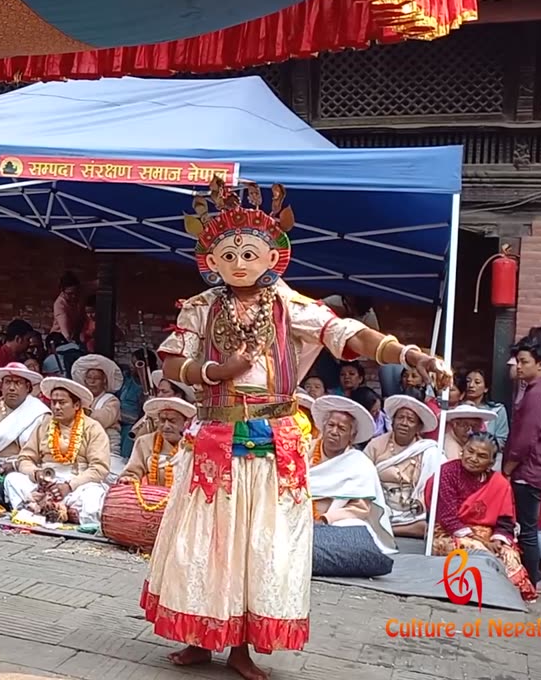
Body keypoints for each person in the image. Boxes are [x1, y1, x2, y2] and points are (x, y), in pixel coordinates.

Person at [141, 179, 450, 679]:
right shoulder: (200, 307)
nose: (239, 261)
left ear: (272, 257)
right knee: (206, 540)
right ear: (212, 260)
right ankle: (200, 636)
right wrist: (213, 373)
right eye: (228, 253)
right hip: (216, 438)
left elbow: (347, 334)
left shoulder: (292, 306)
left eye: (249, 252)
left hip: (271, 444)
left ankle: (242, 645)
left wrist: (408, 353)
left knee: (260, 544)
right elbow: (173, 361)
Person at [427, 433, 537, 601]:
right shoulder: (448, 473)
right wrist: (484, 542)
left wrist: (498, 541)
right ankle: (486, 591)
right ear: (462, 450)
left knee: (508, 554)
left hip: (488, 536)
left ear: (491, 463)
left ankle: (509, 596)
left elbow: (505, 522)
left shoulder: (499, 483)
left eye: (481, 456)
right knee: (479, 550)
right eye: (470, 451)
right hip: (449, 532)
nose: (473, 458)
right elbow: (447, 517)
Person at [4, 377, 110, 525]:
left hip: (77, 484)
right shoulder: (44, 424)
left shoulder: (92, 427)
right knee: (13, 480)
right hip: (45, 484)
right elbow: (25, 459)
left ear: (77, 405)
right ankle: (47, 510)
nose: (56, 407)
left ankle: (50, 511)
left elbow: (99, 468)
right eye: (53, 402)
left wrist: (69, 486)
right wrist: (36, 474)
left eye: (62, 402)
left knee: (93, 499)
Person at [503, 338, 541, 589]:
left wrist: (508, 468)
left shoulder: (537, 393)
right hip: (536, 467)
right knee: (528, 526)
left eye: (524, 362)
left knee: (527, 528)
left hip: (529, 469)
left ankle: (530, 582)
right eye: (518, 361)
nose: (519, 366)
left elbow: (526, 437)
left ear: (540, 365)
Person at [307, 396, 397, 554]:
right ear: (323, 427)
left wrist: (325, 519)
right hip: (301, 515)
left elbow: (360, 508)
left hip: (334, 522)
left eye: (341, 429)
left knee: (357, 529)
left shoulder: (360, 463)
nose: (334, 432)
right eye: (331, 425)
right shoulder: (304, 450)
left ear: (352, 436)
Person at [363, 394, 441, 538]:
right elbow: (361, 477)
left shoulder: (429, 451)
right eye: (400, 418)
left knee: (427, 527)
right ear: (392, 422)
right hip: (381, 505)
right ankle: (382, 525)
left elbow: (434, 488)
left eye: (411, 420)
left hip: (413, 512)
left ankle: (389, 529)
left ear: (419, 427)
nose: (404, 423)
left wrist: (419, 504)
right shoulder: (376, 445)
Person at [118, 396, 193, 487]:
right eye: (162, 420)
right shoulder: (144, 442)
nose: (166, 426)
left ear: (186, 423)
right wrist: (129, 480)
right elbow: (131, 473)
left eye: (172, 421)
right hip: (150, 498)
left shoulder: (193, 445)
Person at [70, 354, 123, 456]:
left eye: (97, 378)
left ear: (104, 381)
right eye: (89, 378)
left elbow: (103, 419)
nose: (92, 381)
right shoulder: (79, 399)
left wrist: (83, 412)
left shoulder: (111, 400)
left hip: (107, 446)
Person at [463, 368, 509, 450]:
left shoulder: (497, 410)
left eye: (477, 382)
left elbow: (502, 440)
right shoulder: (458, 409)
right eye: (468, 381)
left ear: (486, 388)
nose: (471, 385)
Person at [51, 271, 83, 343]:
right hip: (59, 337)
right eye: (70, 294)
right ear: (62, 291)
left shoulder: (81, 291)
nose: (74, 296)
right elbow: (64, 326)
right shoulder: (59, 304)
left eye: (76, 292)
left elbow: (95, 285)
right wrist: (69, 341)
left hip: (74, 335)